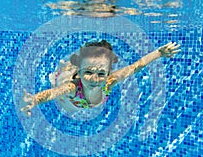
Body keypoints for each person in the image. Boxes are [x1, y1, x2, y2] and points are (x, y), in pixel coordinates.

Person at [21, 40, 181, 116]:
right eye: (88, 73)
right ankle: (68, 69)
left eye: (101, 74)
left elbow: (135, 67)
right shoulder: (72, 89)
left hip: (79, 81)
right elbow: (53, 93)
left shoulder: (109, 82)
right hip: (67, 88)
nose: (94, 80)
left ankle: (76, 66)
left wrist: (158, 53)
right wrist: (35, 99)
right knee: (59, 80)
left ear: (108, 73)